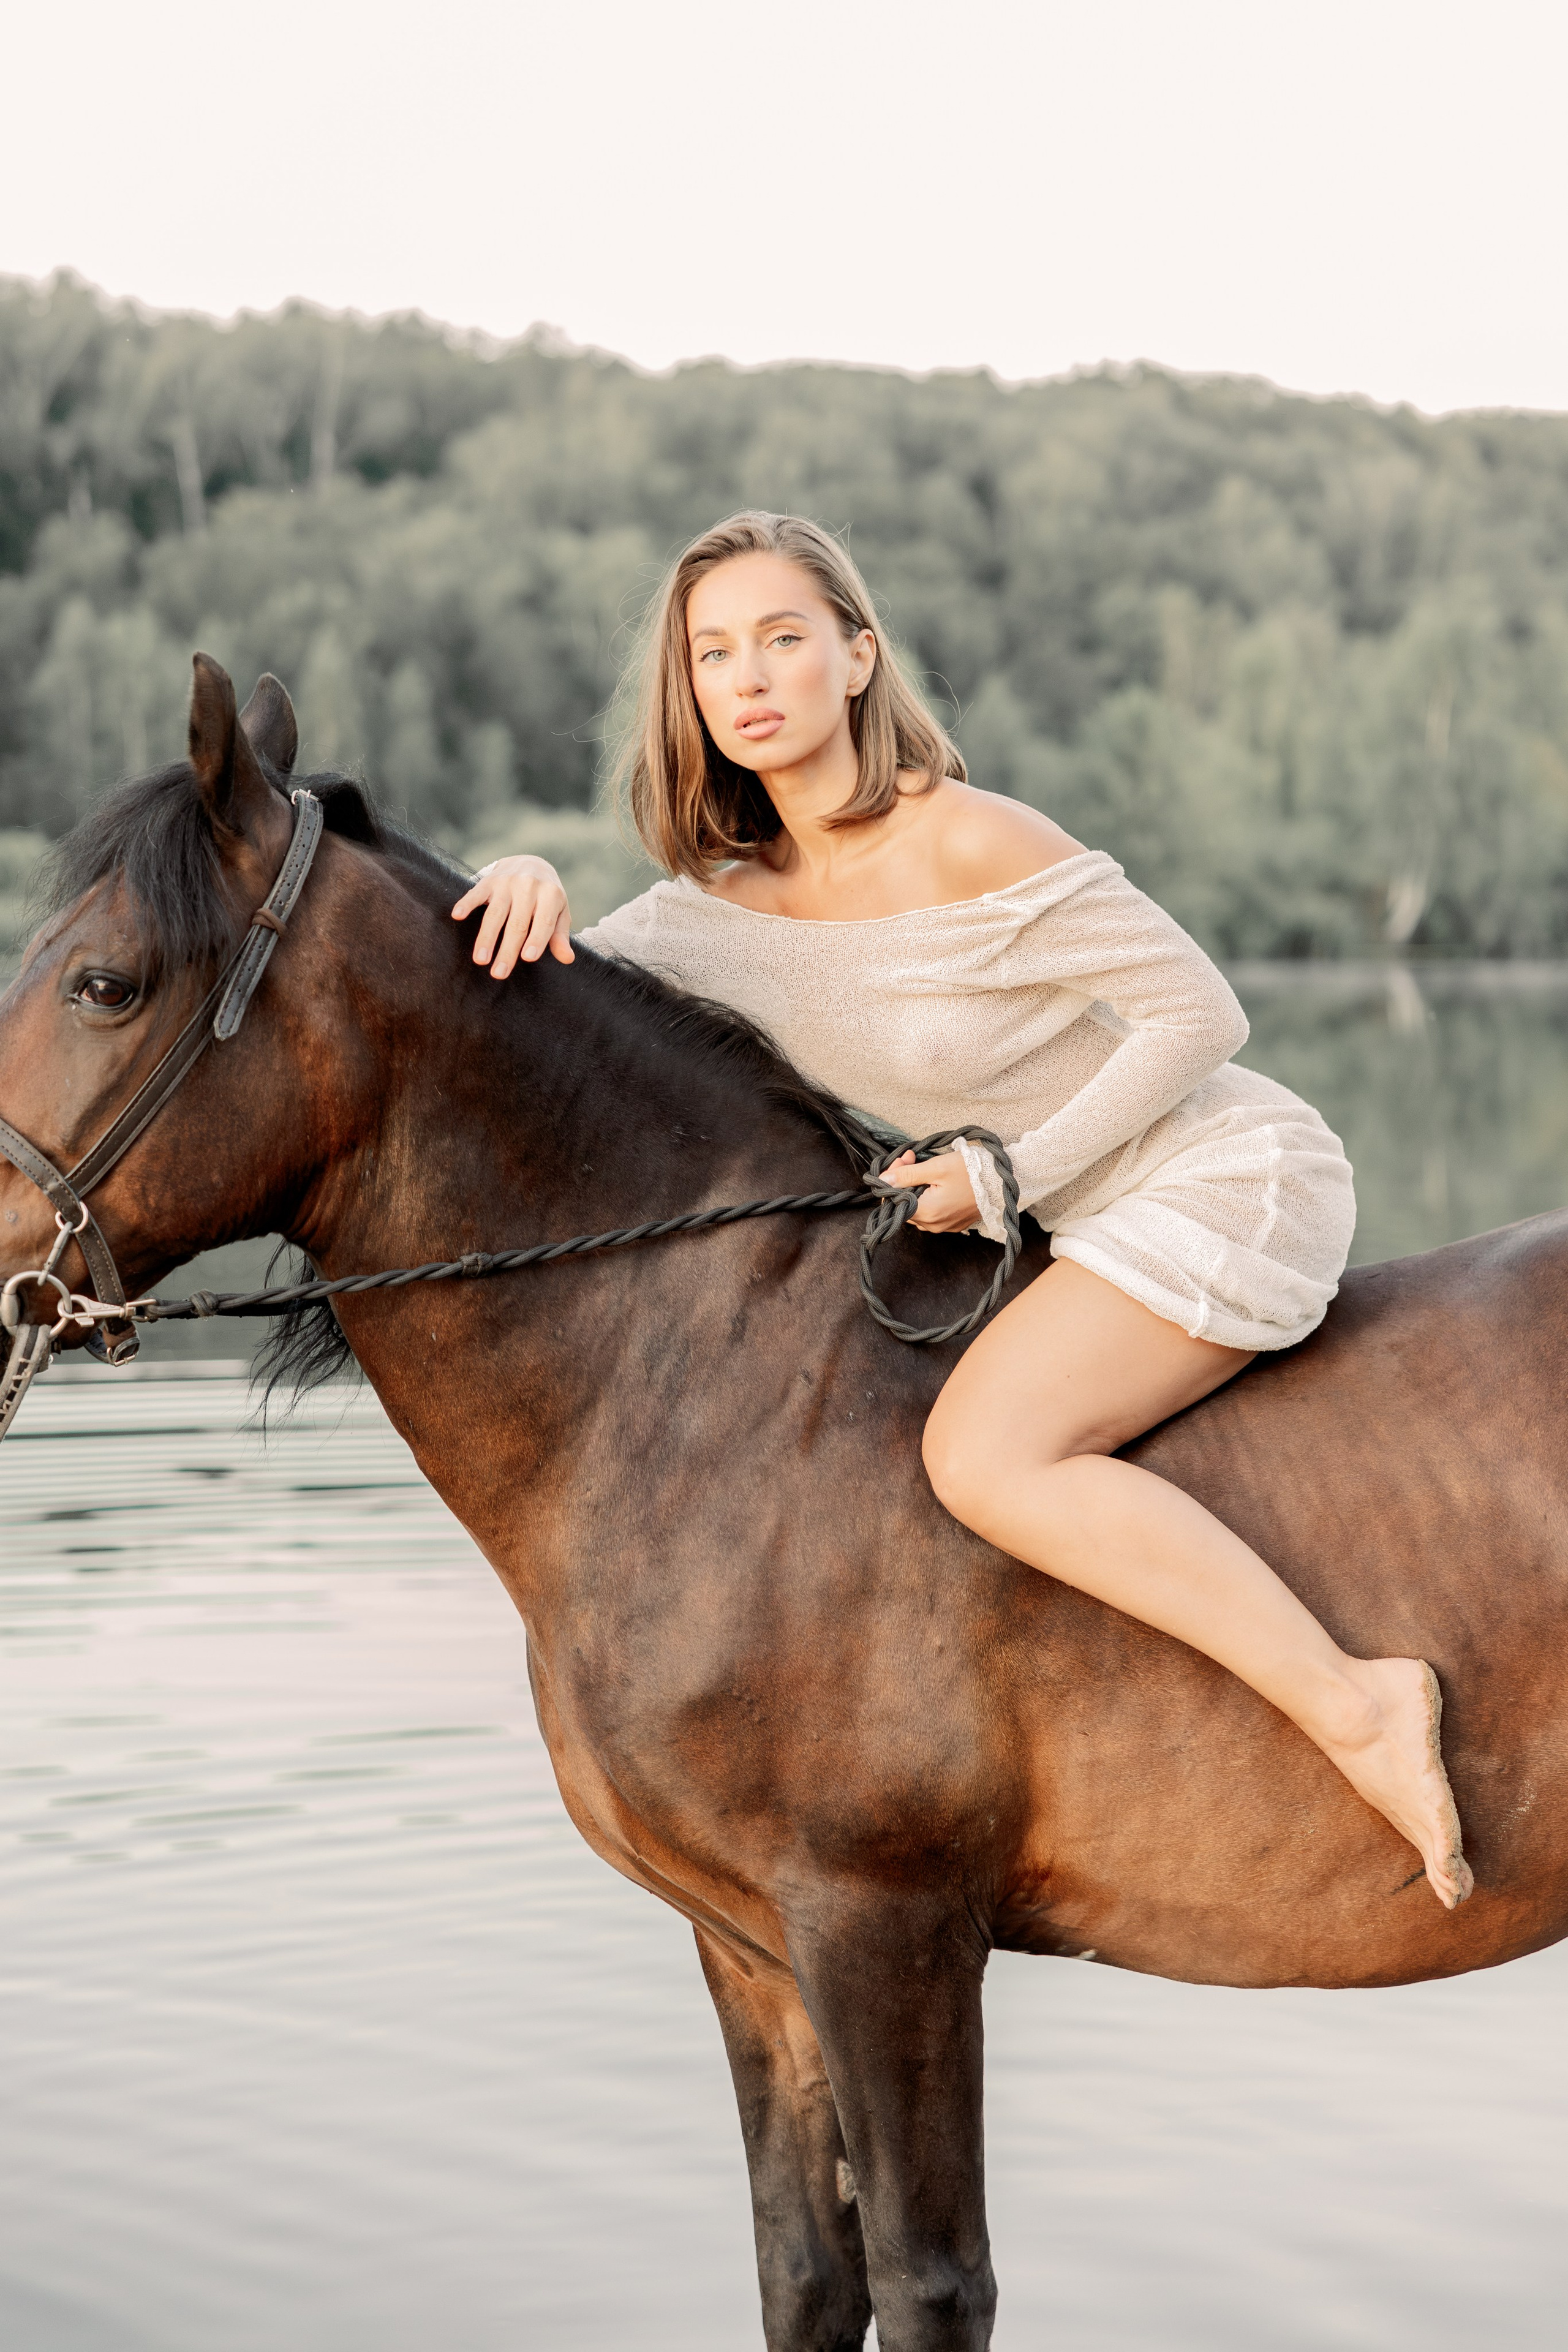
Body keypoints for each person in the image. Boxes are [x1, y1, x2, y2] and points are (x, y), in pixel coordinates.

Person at [450, 510, 1471, 1910]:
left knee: (983, 1456)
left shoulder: (967, 839)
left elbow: (1198, 1015)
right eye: (712, 654)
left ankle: (1356, 1703)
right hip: (1060, 1229)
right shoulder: (709, 915)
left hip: (1213, 1175)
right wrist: (518, 876)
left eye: (783, 639)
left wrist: (1011, 1174)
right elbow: (552, 996)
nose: (747, 678)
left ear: (857, 657)